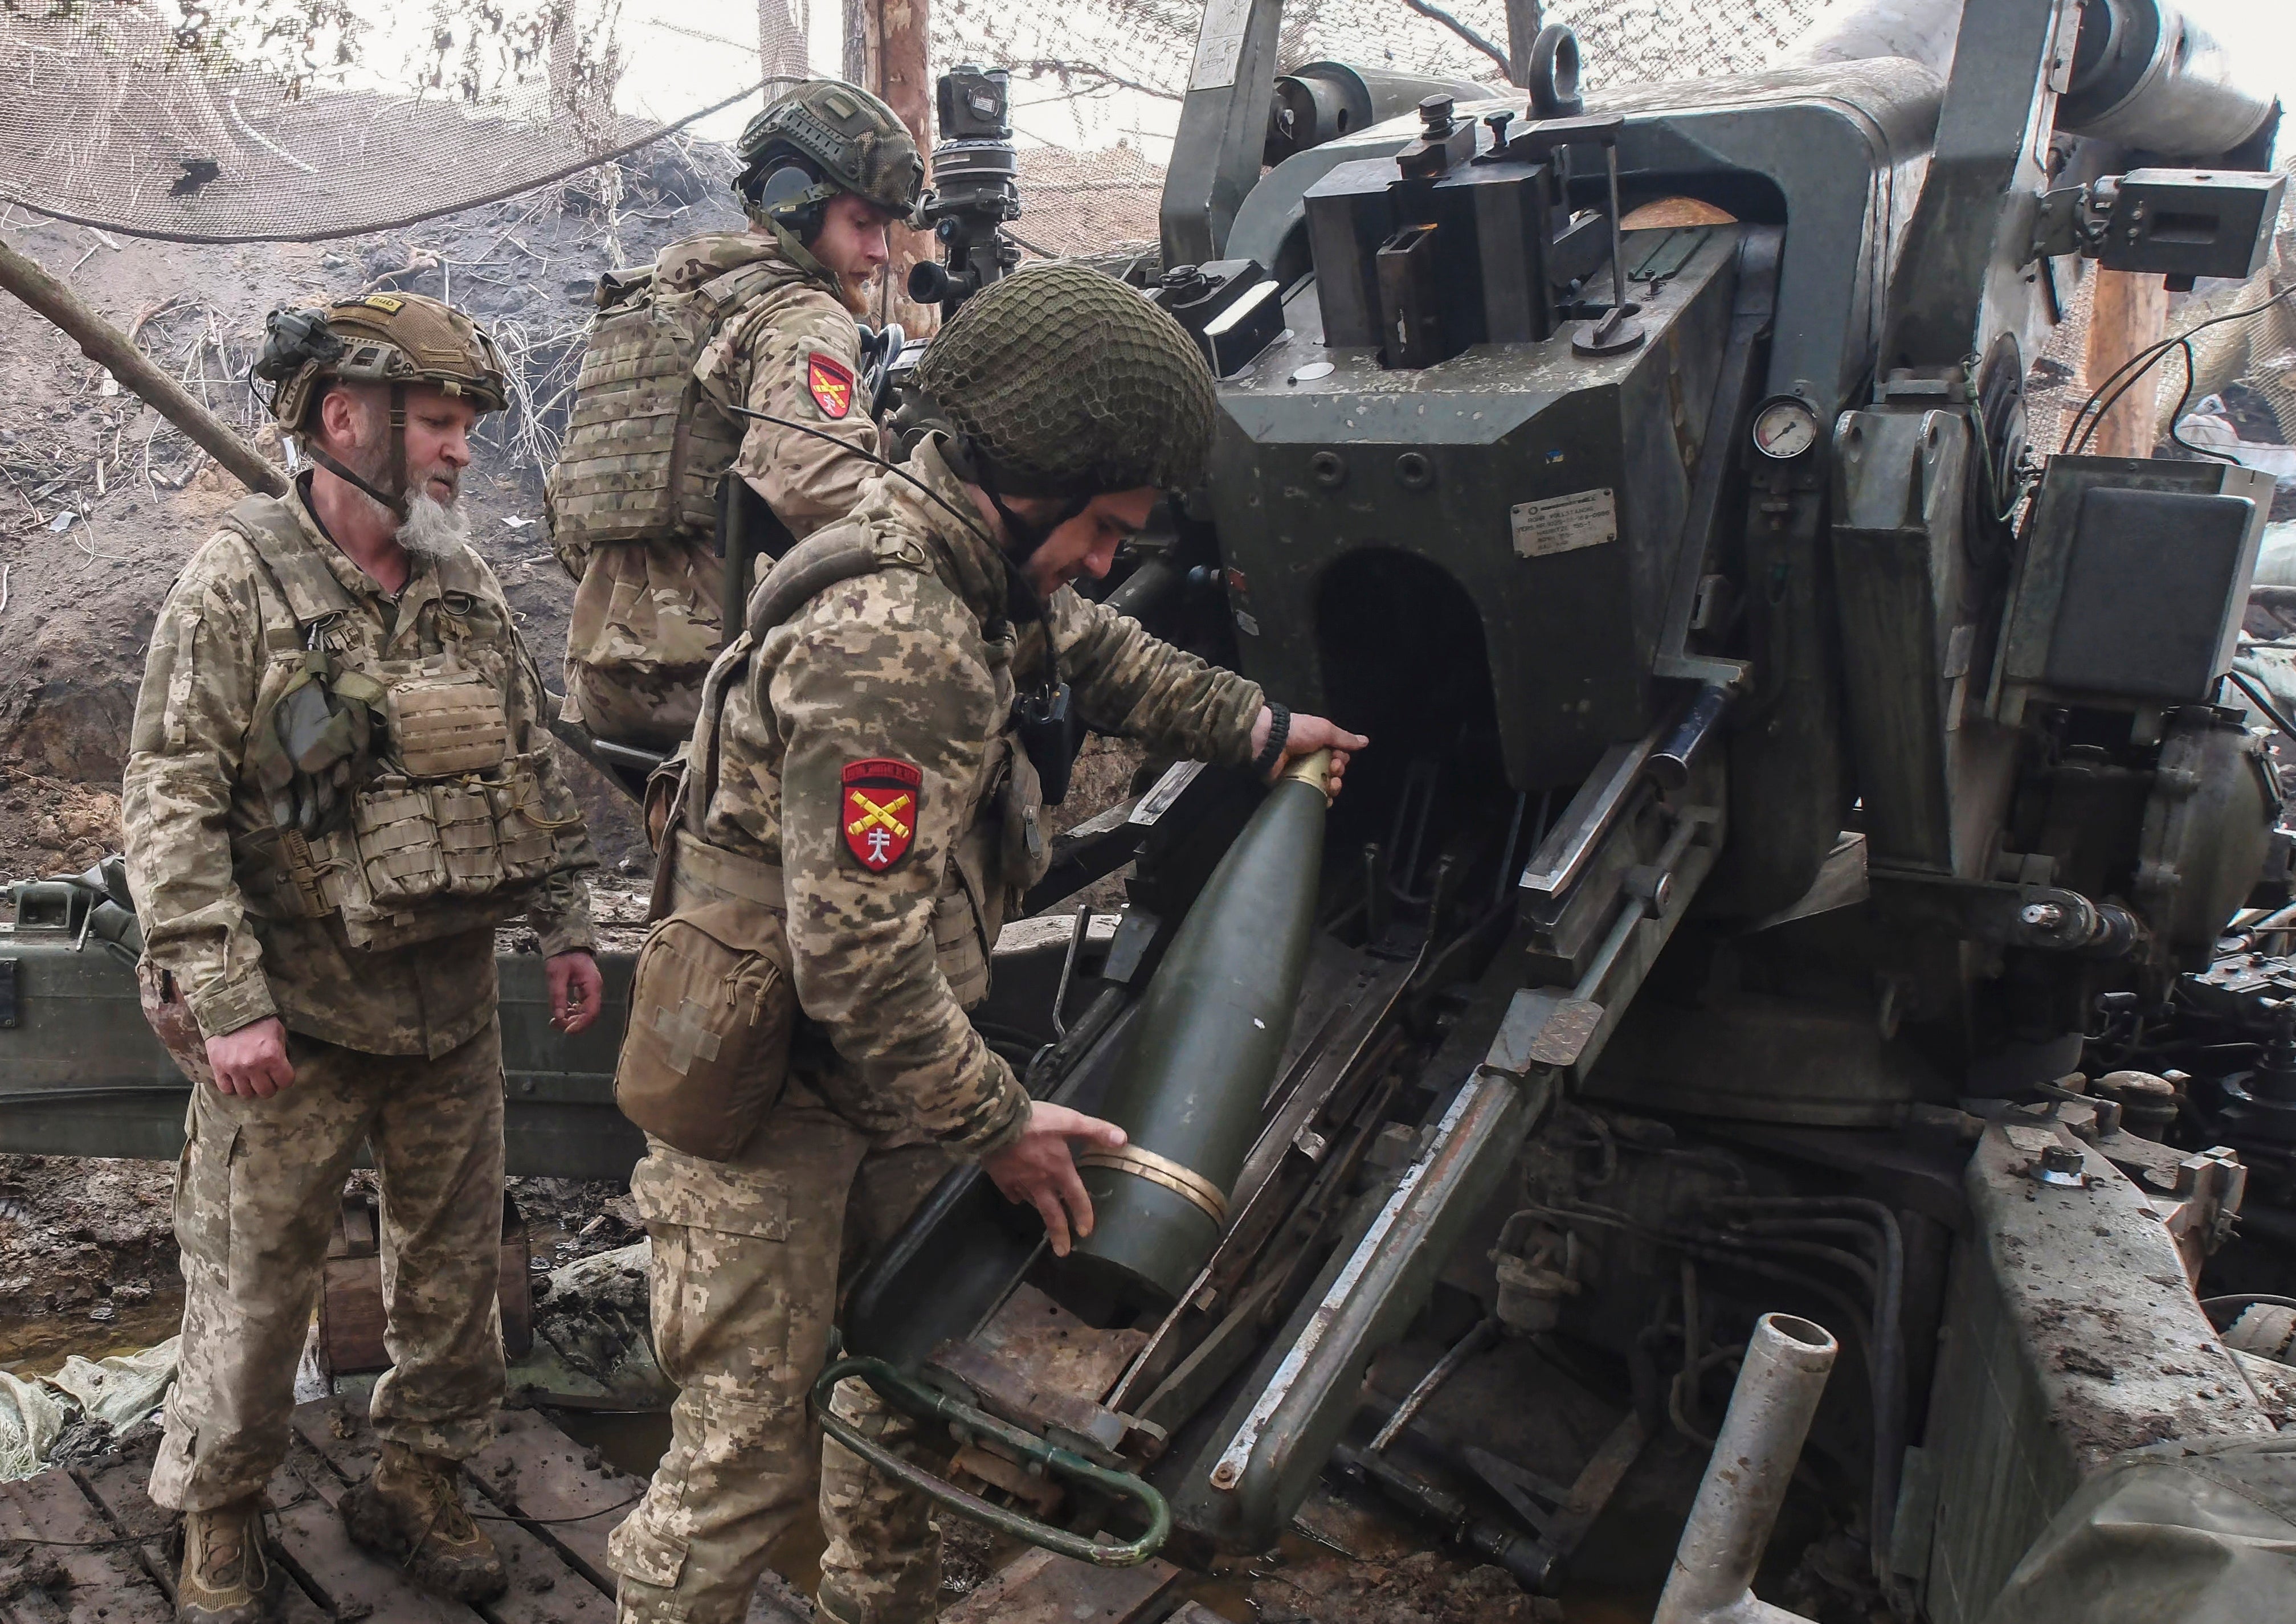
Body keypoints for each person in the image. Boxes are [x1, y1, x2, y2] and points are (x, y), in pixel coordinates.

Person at [604, 261, 1367, 1624]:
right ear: (1031, 478)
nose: (1100, 557)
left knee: (894, 1401)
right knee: (740, 1464)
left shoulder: (972, 568)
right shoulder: (895, 645)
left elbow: (1100, 651)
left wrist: (1260, 729)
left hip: (890, 1089)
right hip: (770, 1104)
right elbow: (857, 964)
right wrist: (1000, 1121)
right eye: (1102, 525)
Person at [120, 291, 604, 1624]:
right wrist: (223, 1002)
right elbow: (167, 805)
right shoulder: (239, 584)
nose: (461, 451)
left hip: (448, 1010)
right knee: (254, 1290)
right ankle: (219, 1518)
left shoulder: (462, 584)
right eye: (439, 424)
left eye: (463, 426)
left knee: (452, 1288)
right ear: (348, 420)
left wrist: (563, 922)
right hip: (293, 1024)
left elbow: (522, 760)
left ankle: (416, 1476)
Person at [554, 77, 924, 755]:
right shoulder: (798, 313)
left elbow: (571, 510)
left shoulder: (652, 304)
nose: (879, 252)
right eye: (862, 224)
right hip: (720, 683)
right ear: (794, 206)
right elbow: (825, 490)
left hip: (601, 680)